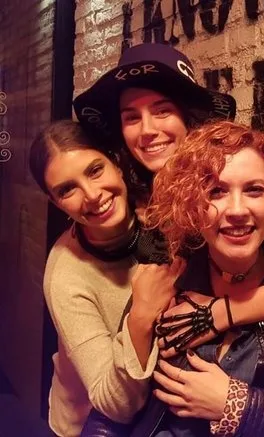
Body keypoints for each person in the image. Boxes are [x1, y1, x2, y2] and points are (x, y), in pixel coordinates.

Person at [73, 42, 264, 360]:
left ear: (189, 118)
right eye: (131, 118)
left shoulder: (231, 186)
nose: (147, 130)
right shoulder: (129, 196)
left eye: (162, 111)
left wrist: (222, 313)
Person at [83, 121, 264, 436]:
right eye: (216, 191)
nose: (237, 210)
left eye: (254, 190)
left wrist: (235, 405)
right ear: (191, 204)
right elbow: (109, 417)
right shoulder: (166, 280)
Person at [29, 120, 184, 437]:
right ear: (56, 203)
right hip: (88, 426)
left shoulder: (158, 217)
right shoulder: (66, 276)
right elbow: (113, 404)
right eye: (67, 190)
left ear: (116, 163)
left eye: (95, 170)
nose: (91, 195)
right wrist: (141, 316)